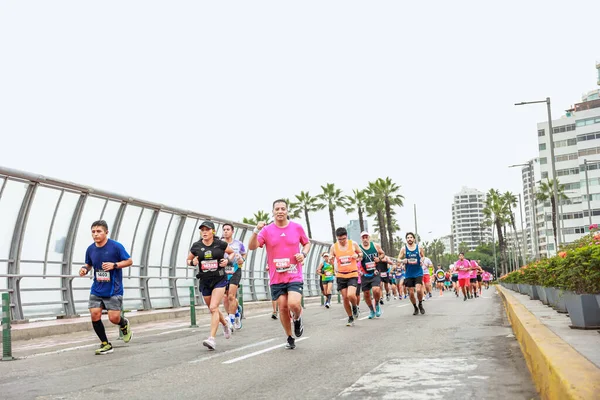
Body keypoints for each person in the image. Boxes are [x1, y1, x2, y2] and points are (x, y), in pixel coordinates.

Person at [248, 199, 310, 350]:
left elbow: (307, 243)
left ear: (287, 211)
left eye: (283, 208)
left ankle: (297, 318)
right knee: (282, 307)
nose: (280, 211)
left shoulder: (296, 227)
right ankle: (289, 337)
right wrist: (256, 230)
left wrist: (303, 254)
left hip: (294, 273)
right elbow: (252, 246)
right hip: (277, 277)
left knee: (293, 304)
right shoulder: (267, 230)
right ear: (273, 212)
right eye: (277, 209)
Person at [79, 220, 133, 355]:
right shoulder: (90, 249)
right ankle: (105, 343)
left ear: (106, 232)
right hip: (97, 288)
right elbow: (89, 263)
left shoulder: (116, 247)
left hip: (113, 289)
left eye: (99, 231)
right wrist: (84, 269)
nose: (95, 234)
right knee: (94, 314)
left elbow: (129, 261)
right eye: (93, 232)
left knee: (113, 318)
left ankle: (123, 323)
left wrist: (114, 265)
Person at [187, 221, 235, 350]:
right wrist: (193, 262)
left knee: (214, 307)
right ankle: (225, 324)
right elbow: (188, 260)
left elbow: (232, 252)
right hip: (205, 281)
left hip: (219, 279)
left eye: (207, 230)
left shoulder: (220, 244)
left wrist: (227, 261)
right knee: (212, 308)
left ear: (212, 231)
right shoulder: (196, 246)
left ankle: (212, 339)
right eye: (202, 230)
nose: (204, 232)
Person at [330, 227, 362, 326]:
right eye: (340, 239)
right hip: (341, 275)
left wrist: (357, 256)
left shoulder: (353, 244)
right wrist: (331, 259)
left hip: (352, 273)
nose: (342, 241)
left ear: (346, 236)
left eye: (343, 239)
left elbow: (361, 254)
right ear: (337, 238)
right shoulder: (334, 247)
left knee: (351, 295)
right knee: (345, 297)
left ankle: (355, 306)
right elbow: (331, 258)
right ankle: (350, 317)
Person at [221, 223, 246, 330]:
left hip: (235, 269)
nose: (226, 231)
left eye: (228, 229)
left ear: (232, 231)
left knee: (231, 295)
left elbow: (244, 253)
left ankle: (230, 320)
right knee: (225, 297)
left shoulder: (238, 243)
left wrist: (242, 259)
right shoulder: (219, 243)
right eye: (224, 229)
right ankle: (236, 313)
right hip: (223, 271)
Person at [397, 232, 425, 315]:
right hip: (408, 273)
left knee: (419, 290)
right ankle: (415, 307)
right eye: (408, 238)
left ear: (414, 239)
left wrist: (422, 260)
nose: (409, 239)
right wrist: (402, 260)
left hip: (418, 272)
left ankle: (420, 304)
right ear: (406, 239)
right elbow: (398, 258)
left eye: (411, 237)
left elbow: (423, 256)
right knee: (411, 292)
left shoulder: (419, 247)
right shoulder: (404, 249)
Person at [358, 231, 384, 319]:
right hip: (364, 274)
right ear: (361, 239)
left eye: (366, 237)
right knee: (366, 293)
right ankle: (371, 310)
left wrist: (379, 258)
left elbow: (382, 254)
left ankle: (376, 305)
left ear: (369, 238)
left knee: (376, 290)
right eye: (363, 237)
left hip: (375, 272)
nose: (365, 239)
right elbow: (355, 259)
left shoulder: (375, 246)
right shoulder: (358, 248)